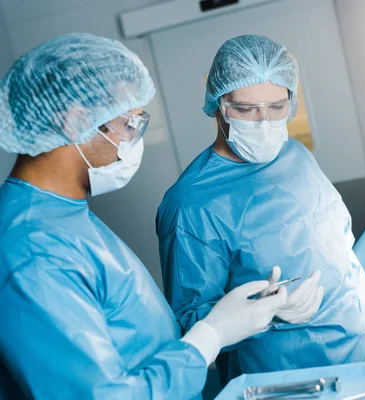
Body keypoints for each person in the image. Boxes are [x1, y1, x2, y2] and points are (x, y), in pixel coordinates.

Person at [0, 33, 289, 400]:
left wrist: (226, 326)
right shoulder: (30, 247)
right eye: (130, 125)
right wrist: (208, 338)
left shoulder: (63, 213)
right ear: (75, 122)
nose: (134, 141)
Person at [156, 34, 365, 375]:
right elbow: (191, 322)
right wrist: (264, 312)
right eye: (246, 108)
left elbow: (342, 256)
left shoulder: (296, 157)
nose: (264, 122)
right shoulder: (191, 204)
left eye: (276, 107)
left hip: (357, 355)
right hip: (277, 377)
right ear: (220, 105)